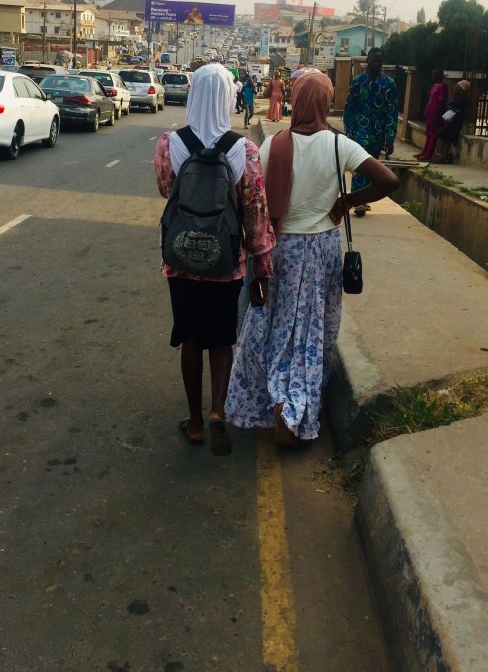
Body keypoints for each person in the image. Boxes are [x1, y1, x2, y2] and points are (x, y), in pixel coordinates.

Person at [226, 72, 398, 447]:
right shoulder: (340, 146)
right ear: (325, 102)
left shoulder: (274, 145)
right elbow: (388, 180)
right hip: (323, 248)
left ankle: (275, 398)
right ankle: (297, 406)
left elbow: (256, 199)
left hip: (283, 247)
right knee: (312, 329)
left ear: (297, 100)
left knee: (275, 324)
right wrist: (348, 201)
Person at [154, 64, 275, 456]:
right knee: (222, 338)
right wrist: (262, 262)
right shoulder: (245, 150)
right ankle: (217, 411)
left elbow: (166, 190)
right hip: (226, 262)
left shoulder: (169, 143)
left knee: (190, 337)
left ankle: (193, 423)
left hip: (181, 259)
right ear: (228, 97)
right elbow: (254, 210)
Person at [343, 49, 398, 216]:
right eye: (373, 60)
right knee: (360, 165)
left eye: (379, 61)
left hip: (378, 133)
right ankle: (358, 201)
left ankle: (363, 199)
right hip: (359, 132)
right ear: (367, 61)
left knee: (372, 167)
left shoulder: (389, 84)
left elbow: (392, 111)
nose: (376, 64)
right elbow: (349, 108)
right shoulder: (358, 82)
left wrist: (390, 137)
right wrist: (350, 130)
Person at [434, 80, 471, 164]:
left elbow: (455, 105)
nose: (455, 87)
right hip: (454, 120)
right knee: (446, 138)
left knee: (443, 136)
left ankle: (440, 156)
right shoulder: (460, 97)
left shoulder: (461, 98)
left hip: (454, 121)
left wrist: (451, 104)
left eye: (458, 86)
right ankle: (442, 156)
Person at [415, 69, 449, 161]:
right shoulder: (434, 86)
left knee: (433, 135)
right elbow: (431, 100)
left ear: (440, 75)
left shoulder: (442, 87)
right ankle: (424, 152)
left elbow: (441, 102)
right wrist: (426, 109)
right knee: (429, 134)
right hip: (430, 114)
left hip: (436, 116)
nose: (433, 76)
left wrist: (436, 115)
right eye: (432, 74)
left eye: (435, 74)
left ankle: (429, 154)